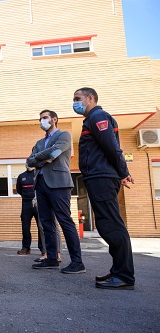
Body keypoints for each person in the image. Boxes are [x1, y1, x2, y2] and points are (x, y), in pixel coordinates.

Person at [73, 87, 135, 289]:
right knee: (107, 224)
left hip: (101, 177)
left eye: (77, 98)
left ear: (90, 98)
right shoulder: (92, 118)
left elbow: (112, 146)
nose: (75, 103)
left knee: (111, 225)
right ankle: (118, 271)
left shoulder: (98, 116)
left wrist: (123, 172)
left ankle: (124, 275)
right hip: (98, 177)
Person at [28, 110, 85, 274]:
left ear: (54, 119)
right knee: (46, 223)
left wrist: (41, 158)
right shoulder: (39, 142)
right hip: (41, 183)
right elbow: (30, 161)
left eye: (45, 118)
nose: (42, 121)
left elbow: (56, 152)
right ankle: (52, 258)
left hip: (59, 184)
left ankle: (77, 262)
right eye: (40, 119)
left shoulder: (64, 135)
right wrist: (44, 158)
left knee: (65, 220)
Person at [15, 165, 45, 256]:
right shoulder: (21, 176)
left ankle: (43, 248)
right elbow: (19, 190)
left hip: (37, 203)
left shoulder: (38, 174)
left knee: (41, 226)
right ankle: (26, 247)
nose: (29, 164)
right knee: (25, 227)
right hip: (26, 203)